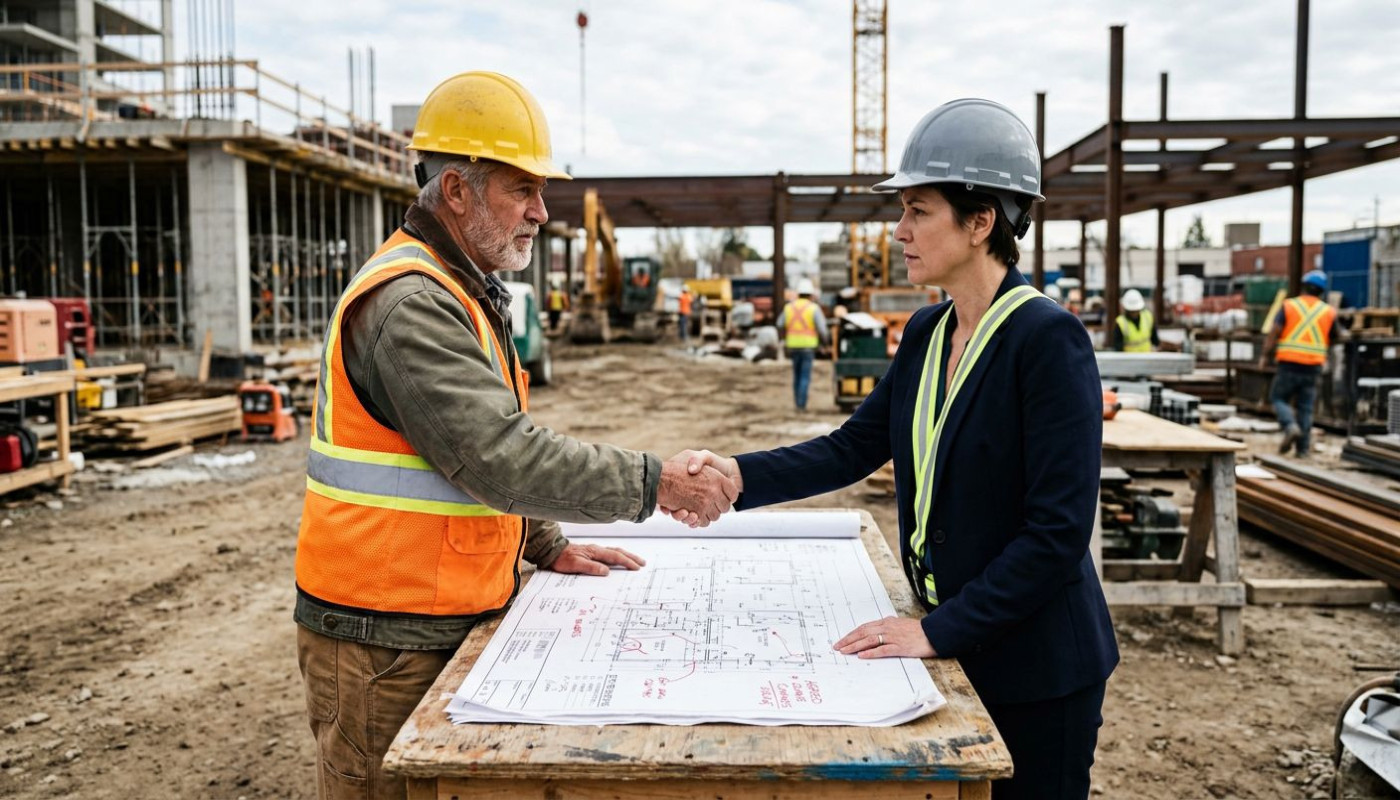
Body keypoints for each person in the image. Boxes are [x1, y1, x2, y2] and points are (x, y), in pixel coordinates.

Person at [292, 71, 737, 800]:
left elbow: (469, 452)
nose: (541, 211)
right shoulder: (411, 306)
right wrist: (657, 481)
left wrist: (544, 541)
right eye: (521, 189)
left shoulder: (459, 289)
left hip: (425, 622)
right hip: (380, 641)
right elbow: (498, 455)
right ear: (457, 192)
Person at [671, 99, 1117, 800]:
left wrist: (938, 630)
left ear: (980, 221)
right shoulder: (927, 332)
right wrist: (735, 475)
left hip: (1038, 669)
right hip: (955, 640)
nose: (898, 229)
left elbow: (1057, 533)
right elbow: (853, 448)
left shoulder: (1046, 340)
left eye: (917, 211)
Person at [1261, 269, 1345, 457]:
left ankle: (1290, 426)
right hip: (1313, 365)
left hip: (1289, 362)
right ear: (1321, 291)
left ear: (1304, 286)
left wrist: (1265, 356)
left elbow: (1274, 332)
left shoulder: (1289, 306)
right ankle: (1303, 450)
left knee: (1278, 398)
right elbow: (1336, 336)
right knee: (1305, 408)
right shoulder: (1328, 311)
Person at [777, 278, 829, 411]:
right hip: (808, 347)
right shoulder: (813, 308)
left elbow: (779, 323)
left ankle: (797, 403)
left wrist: (784, 338)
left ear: (798, 293)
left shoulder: (789, 307)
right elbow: (822, 329)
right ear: (811, 294)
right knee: (805, 376)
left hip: (793, 346)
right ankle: (801, 405)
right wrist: (825, 342)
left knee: (797, 375)